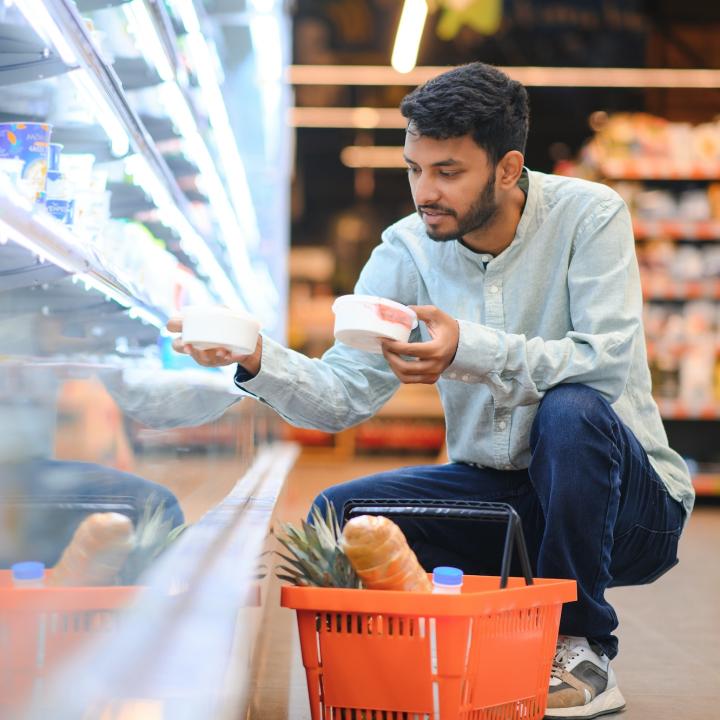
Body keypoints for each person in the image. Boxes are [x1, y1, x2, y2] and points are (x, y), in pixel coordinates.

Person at [168, 62, 694, 718]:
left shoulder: (588, 217)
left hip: (626, 508)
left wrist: (468, 347)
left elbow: (606, 364)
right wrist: (255, 357)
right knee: (343, 515)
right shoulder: (406, 252)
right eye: (415, 168)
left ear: (507, 169)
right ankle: (403, 658)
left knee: (572, 409)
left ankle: (582, 647)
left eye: (448, 172)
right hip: (505, 498)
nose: (426, 192)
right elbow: (341, 397)